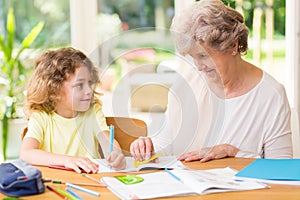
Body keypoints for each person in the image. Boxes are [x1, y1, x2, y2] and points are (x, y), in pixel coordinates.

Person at [130, 0, 293, 162]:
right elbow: (165, 145)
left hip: (243, 188)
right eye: (193, 57)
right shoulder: (187, 82)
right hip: (188, 186)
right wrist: (147, 147)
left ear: (233, 46)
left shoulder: (271, 95)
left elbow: (281, 170)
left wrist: (234, 152)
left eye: (203, 56)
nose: (199, 66)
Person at [20, 47, 126, 173]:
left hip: (92, 182)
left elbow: (106, 140)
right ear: (54, 91)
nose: (89, 90)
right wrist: (67, 160)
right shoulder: (41, 117)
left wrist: (115, 154)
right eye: (80, 85)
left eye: (90, 83)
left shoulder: (93, 112)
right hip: (55, 184)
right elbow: (26, 153)